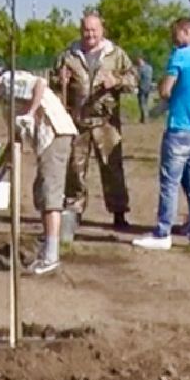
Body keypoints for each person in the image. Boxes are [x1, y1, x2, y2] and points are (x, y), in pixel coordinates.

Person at [133, 18, 190, 251]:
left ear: (187, 31)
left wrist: (167, 90)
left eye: (176, 35)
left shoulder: (180, 57)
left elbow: (165, 90)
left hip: (179, 128)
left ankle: (163, 232)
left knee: (170, 183)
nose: (175, 41)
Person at [55, 13, 135, 236]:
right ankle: (74, 211)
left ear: (102, 30)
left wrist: (117, 81)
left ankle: (119, 212)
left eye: (94, 30)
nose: (90, 34)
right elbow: (53, 84)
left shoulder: (116, 54)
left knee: (112, 168)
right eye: (86, 30)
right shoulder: (68, 55)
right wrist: (60, 81)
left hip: (106, 121)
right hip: (77, 121)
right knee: (75, 168)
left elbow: (133, 79)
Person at [15, 59, 79, 276]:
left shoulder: (8, 80)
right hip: (48, 139)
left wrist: (31, 113)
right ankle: (48, 246)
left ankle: (51, 256)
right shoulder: (6, 98)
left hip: (55, 134)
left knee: (50, 193)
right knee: (41, 191)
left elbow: (40, 83)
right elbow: (16, 136)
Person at [135, 56, 155, 123]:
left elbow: (138, 77)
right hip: (149, 87)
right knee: (146, 103)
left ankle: (144, 118)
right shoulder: (150, 68)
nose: (138, 62)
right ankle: (144, 117)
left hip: (142, 87)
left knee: (142, 103)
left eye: (138, 61)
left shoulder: (140, 69)